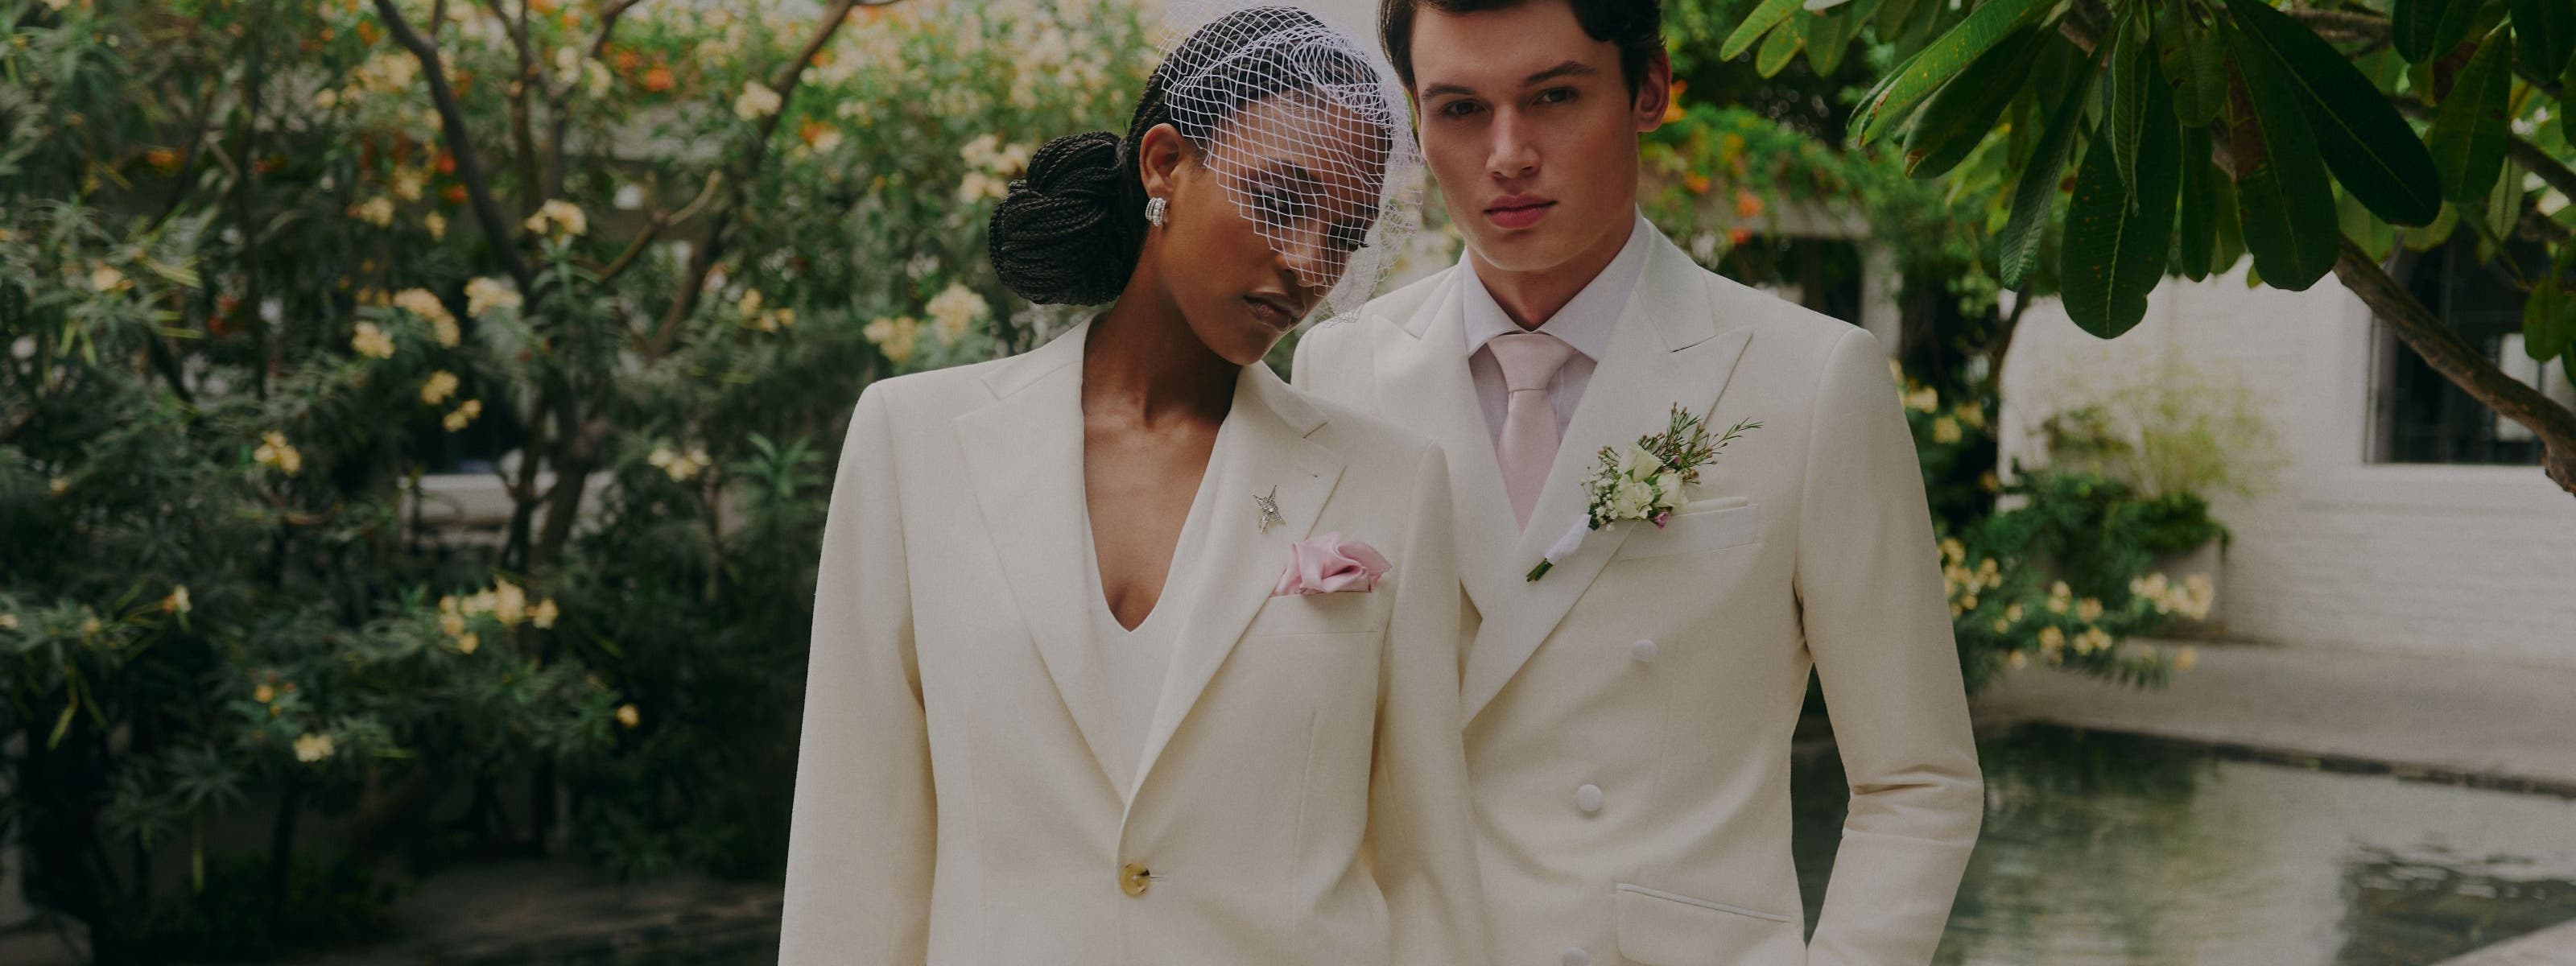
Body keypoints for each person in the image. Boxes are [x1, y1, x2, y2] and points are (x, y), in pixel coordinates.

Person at [778, 6, 1488, 965]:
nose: (1309, 261)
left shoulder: (1392, 485)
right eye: (1281, 199)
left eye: (1346, 231)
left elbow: (1425, 877)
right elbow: (852, 847)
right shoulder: (913, 444)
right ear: (1163, 164)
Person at [1292, 0, 1984, 963]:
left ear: (1647, 89)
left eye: (1554, 97)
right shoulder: (1340, 371)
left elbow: (1917, 780)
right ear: (1416, 119)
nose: (1506, 154)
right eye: (1458, 110)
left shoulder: (1809, 379)